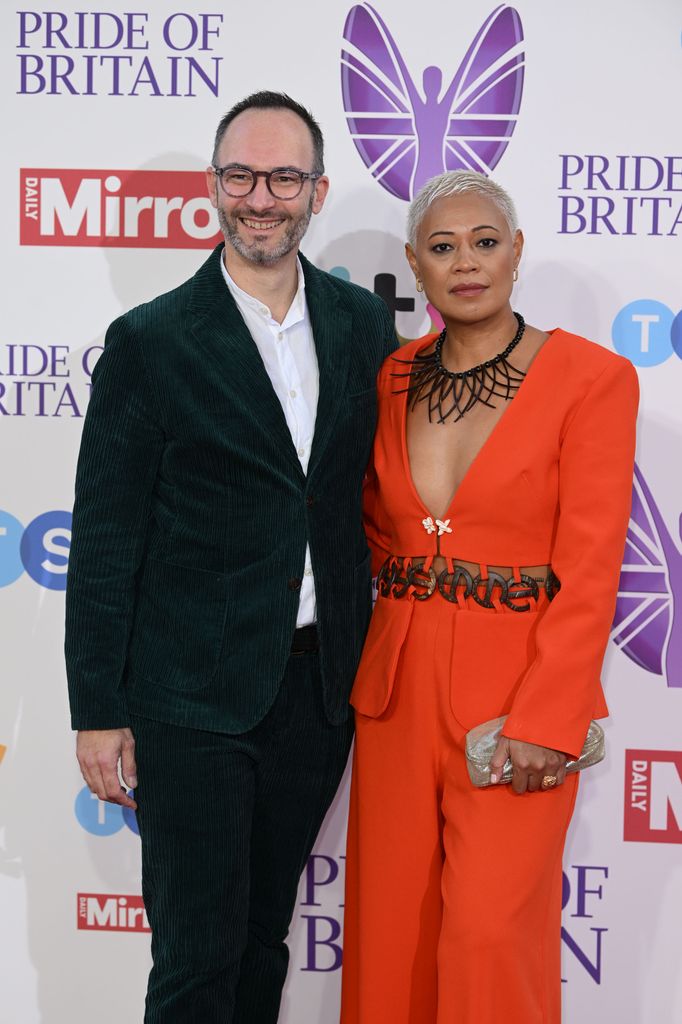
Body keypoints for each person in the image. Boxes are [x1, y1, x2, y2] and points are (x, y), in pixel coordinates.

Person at [65, 90, 396, 1023]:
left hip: (313, 694)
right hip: (188, 703)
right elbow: (104, 539)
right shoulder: (151, 341)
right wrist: (98, 709)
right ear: (214, 187)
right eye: (242, 175)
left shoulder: (362, 326)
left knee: (262, 942)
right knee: (197, 957)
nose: (263, 196)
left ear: (317, 190)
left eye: (284, 176)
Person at [340, 170, 638, 1023]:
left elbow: (591, 568)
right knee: (390, 928)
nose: (464, 262)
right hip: (396, 685)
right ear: (415, 265)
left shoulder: (592, 378)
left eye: (483, 242)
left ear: (515, 253)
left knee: (487, 933)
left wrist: (550, 717)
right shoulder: (393, 375)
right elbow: (368, 520)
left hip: (517, 698)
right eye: (442, 247)